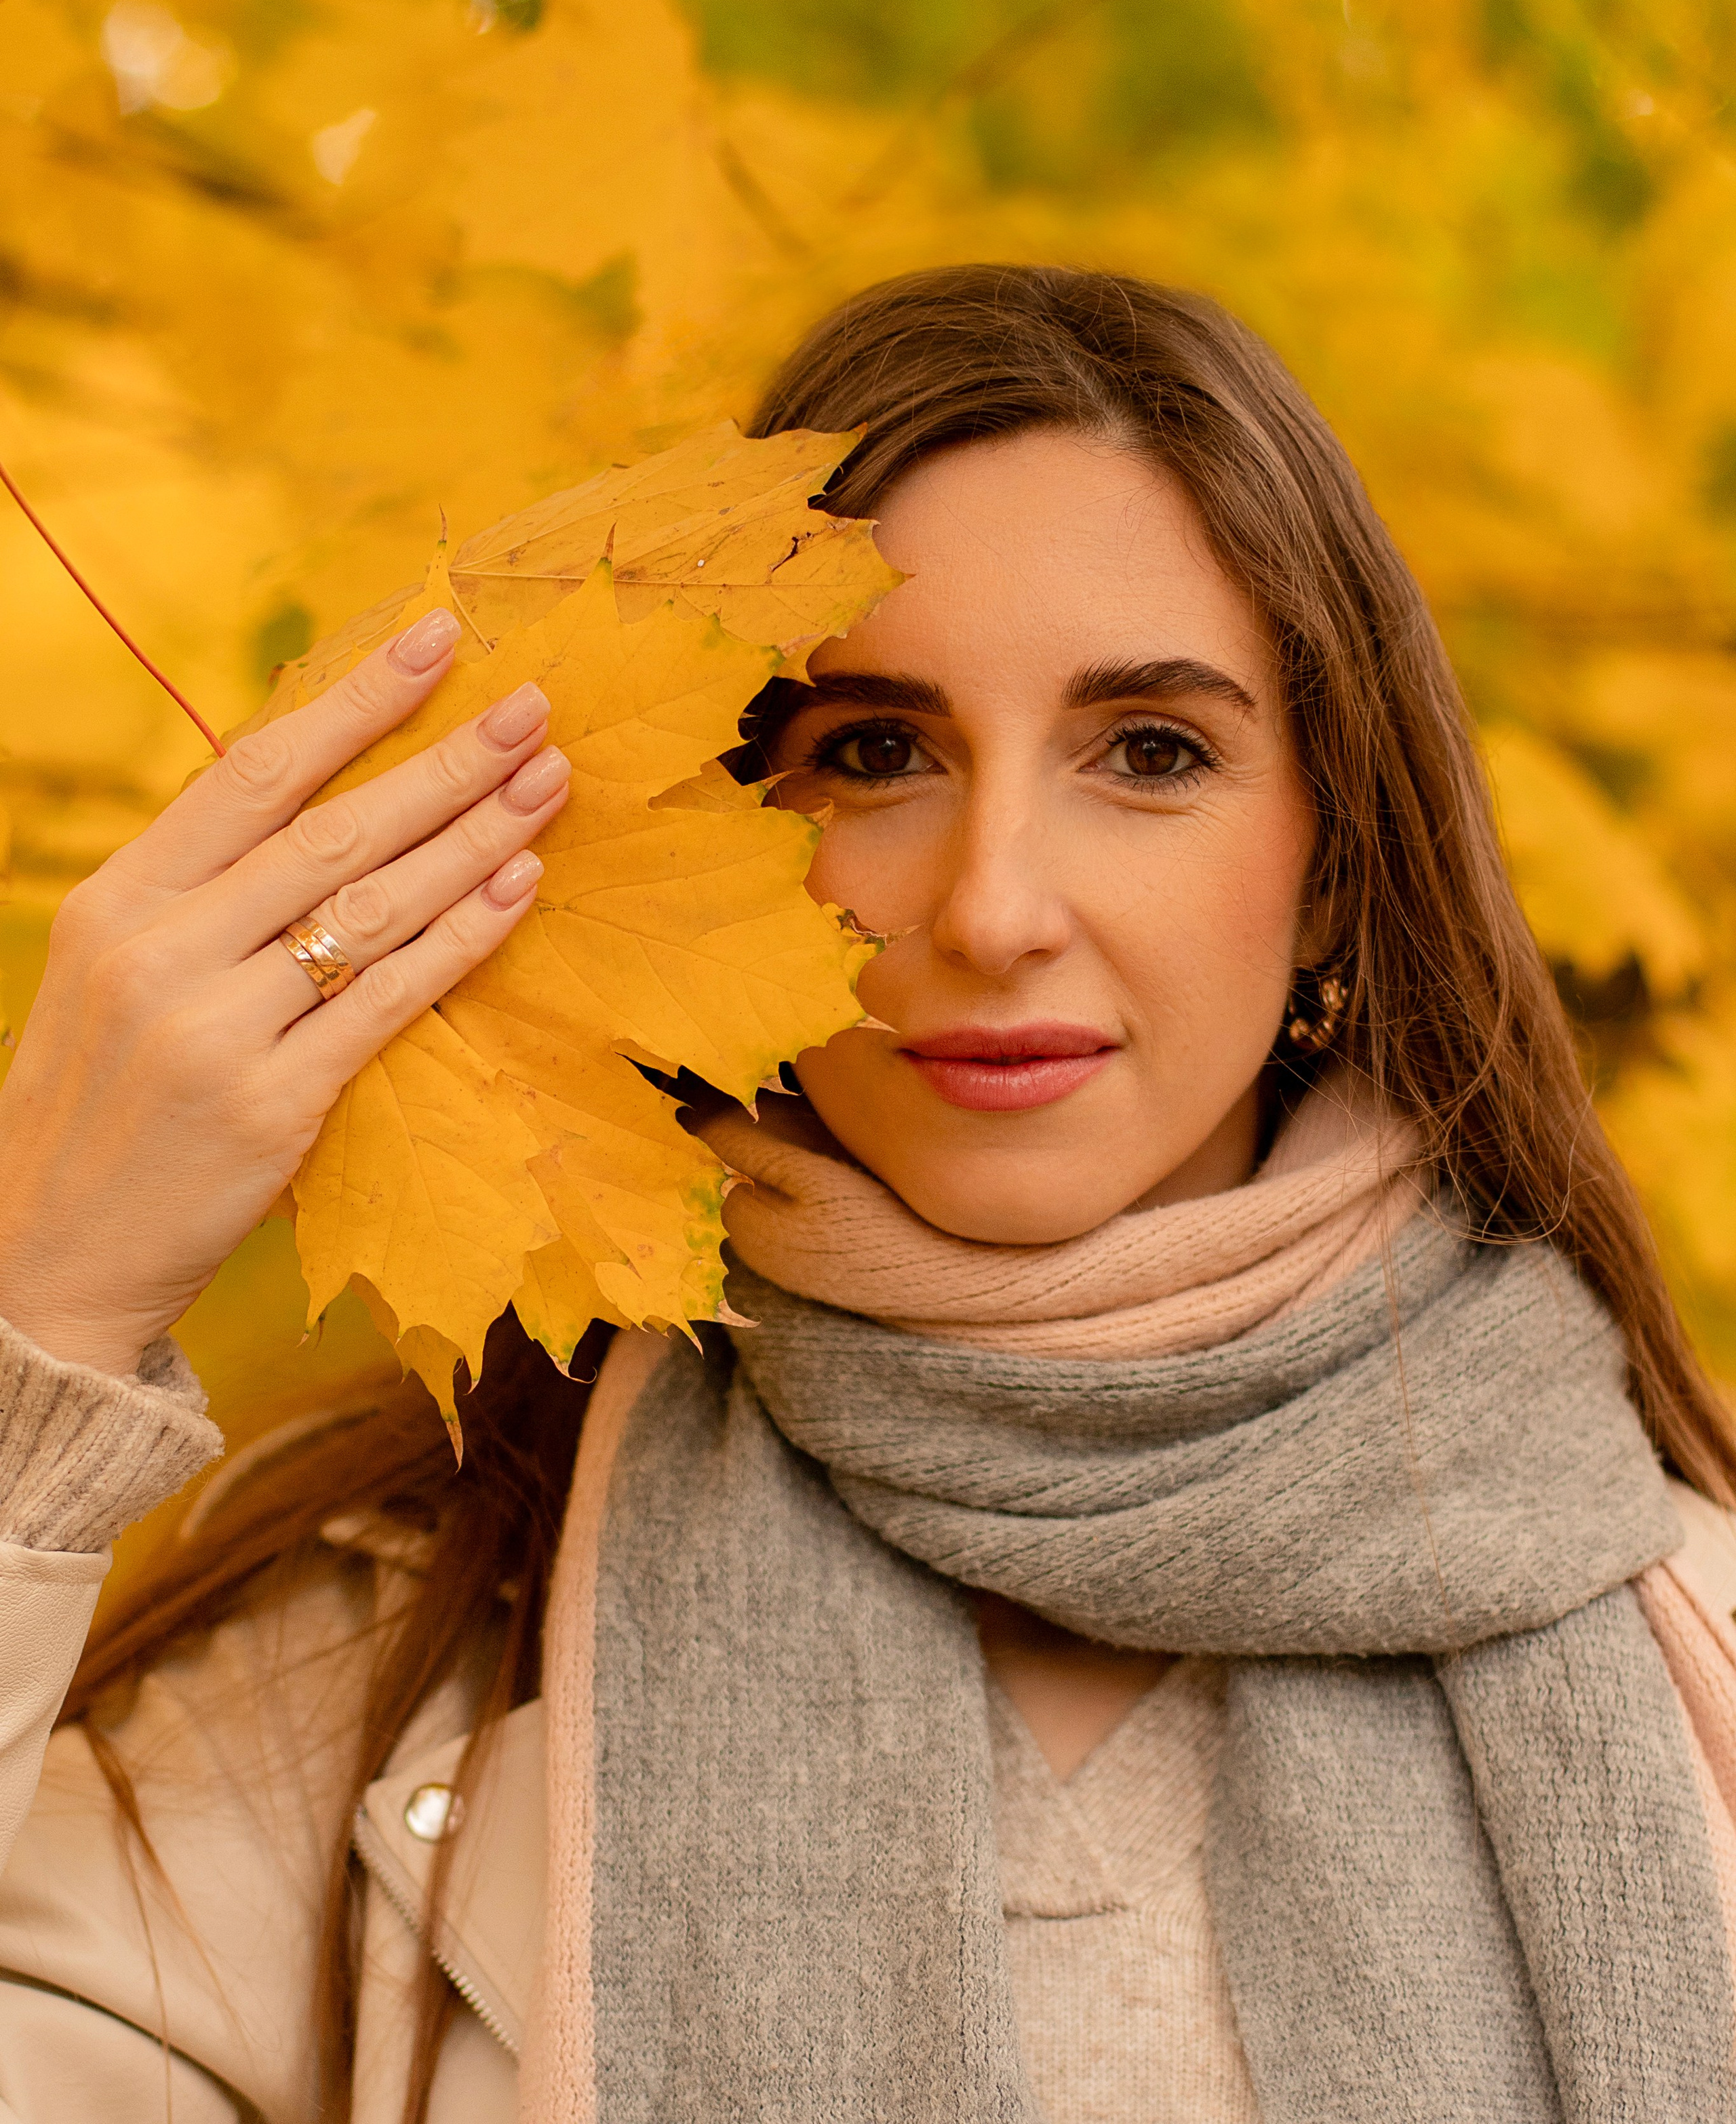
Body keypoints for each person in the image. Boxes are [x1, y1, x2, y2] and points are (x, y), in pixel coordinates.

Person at [0, 263, 1731, 2124]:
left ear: (1330, 869)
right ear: (722, 821)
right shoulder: (390, 1635)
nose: (994, 910)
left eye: (1151, 752)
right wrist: (48, 1314)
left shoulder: (1691, 1644)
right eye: (875, 754)